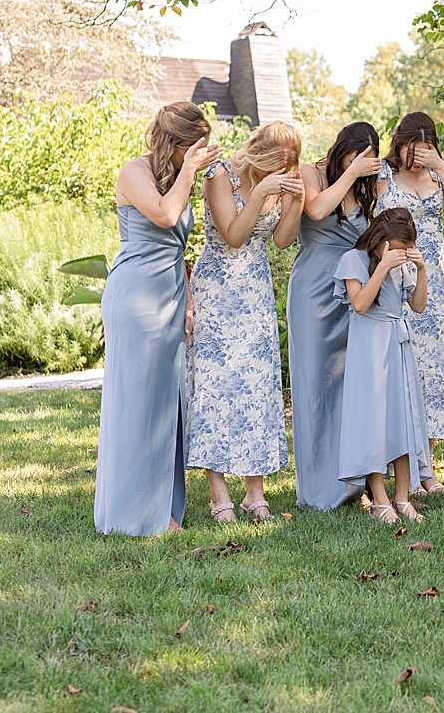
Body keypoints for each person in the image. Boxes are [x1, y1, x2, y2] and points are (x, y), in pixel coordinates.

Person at [95, 102, 220, 536]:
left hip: (168, 295)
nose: (198, 155)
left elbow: (178, 248)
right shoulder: (136, 171)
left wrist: (188, 300)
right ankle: (139, 514)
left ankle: (163, 507)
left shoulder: (176, 176)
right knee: (139, 406)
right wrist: (189, 170)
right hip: (136, 298)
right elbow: (165, 216)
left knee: (166, 405)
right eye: (193, 147)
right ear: (175, 143)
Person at [185, 121, 304, 522]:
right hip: (216, 290)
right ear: (260, 153)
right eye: (276, 166)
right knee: (215, 387)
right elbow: (234, 235)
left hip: (255, 291)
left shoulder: (281, 181)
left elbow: (283, 240)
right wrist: (261, 194)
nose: (281, 173)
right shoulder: (220, 176)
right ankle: (219, 493)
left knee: (256, 387)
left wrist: (297, 202)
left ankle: (256, 493)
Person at [375, 112, 444, 493]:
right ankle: (401, 467)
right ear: (398, 144)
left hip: (434, 276)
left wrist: (439, 165)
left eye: (424, 149)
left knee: (433, 369)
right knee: (404, 367)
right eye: (410, 149)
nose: (416, 157)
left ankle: (427, 467)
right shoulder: (383, 174)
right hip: (396, 273)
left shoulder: (438, 172)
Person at [287, 122, 383, 510]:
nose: (358, 163)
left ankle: (353, 485)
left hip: (352, 291)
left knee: (351, 388)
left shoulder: (365, 186)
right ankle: (317, 489)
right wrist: (350, 174)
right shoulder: (311, 172)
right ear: (342, 151)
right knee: (315, 387)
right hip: (313, 291)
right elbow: (318, 208)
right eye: (353, 156)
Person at [333, 208, 432, 524]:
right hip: (369, 344)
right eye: (396, 247)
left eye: (407, 248)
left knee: (402, 420)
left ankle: (402, 497)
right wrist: (383, 267)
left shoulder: (403, 263)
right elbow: (360, 304)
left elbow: (417, 306)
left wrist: (421, 270)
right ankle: (380, 500)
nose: (402, 253)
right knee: (374, 421)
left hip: (398, 341)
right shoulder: (354, 259)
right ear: (380, 240)